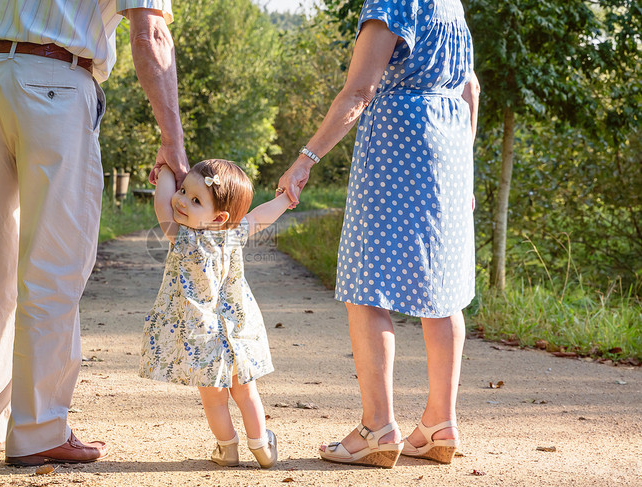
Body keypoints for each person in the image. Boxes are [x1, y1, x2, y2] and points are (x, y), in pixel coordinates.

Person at [0, 0, 190, 466]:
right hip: (53, 82)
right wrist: (173, 141)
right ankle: (39, 429)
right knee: (53, 263)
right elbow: (150, 35)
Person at [278, 0, 480, 468]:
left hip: (398, 144)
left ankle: (378, 427)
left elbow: (359, 92)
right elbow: (470, 87)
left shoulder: (392, 2)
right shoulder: (451, 4)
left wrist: (306, 159)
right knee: (443, 289)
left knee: (369, 284)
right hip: (450, 145)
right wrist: (464, 170)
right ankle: (439, 423)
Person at [139, 160, 290, 468]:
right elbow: (259, 217)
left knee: (214, 400)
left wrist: (167, 168)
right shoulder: (232, 234)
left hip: (201, 336)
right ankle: (261, 445)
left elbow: (160, 205)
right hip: (236, 330)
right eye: (182, 190)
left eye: (195, 200)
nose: (180, 200)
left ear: (219, 217)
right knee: (247, 394)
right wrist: (285, 199)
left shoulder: (182, 238)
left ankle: (227, 448)